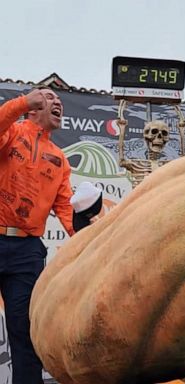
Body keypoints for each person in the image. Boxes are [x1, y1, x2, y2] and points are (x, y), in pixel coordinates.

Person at [0, 86, 75, 384]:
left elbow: (66, 209)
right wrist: (19, 103)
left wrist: (90, 238)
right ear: (34, 107)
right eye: (49, 98)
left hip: (27, 252)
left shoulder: (60, 160)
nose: (58, 103)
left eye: (60, 101)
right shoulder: (12, 133)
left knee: (25, 333)